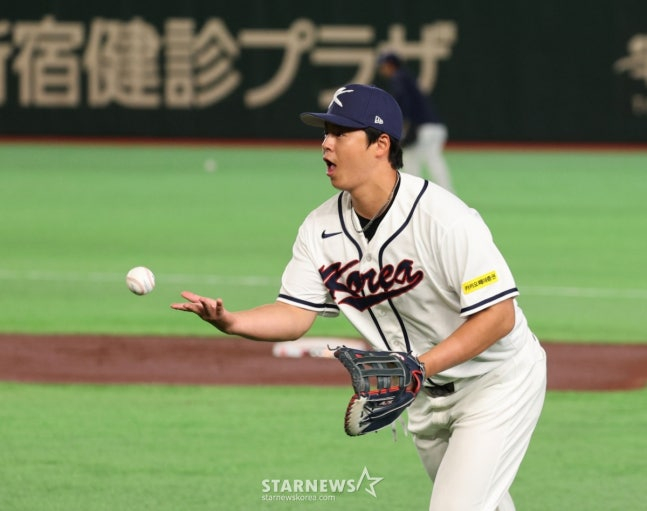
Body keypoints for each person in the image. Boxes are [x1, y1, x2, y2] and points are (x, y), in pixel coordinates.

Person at [171, 83, 546, 511]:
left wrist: (418, 367)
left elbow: (499, 316)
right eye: (325, 133)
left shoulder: (445, 219)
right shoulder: (319, 229)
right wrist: (232, 321)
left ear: (380, 145)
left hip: (495, 383)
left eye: (340, 133)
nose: (325, 144)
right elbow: (293, 315)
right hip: (423, 397)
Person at [377, 52, 454, 192]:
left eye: (383, 66)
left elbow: (404, 103)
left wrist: (404, 126)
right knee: (425, 159)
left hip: (423, 129)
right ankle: (443, 193)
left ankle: (414, 194)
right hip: (432, 127)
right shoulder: (406, 77)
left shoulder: (398, 78)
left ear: (390, 65)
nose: (382, 70)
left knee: (416, 159)